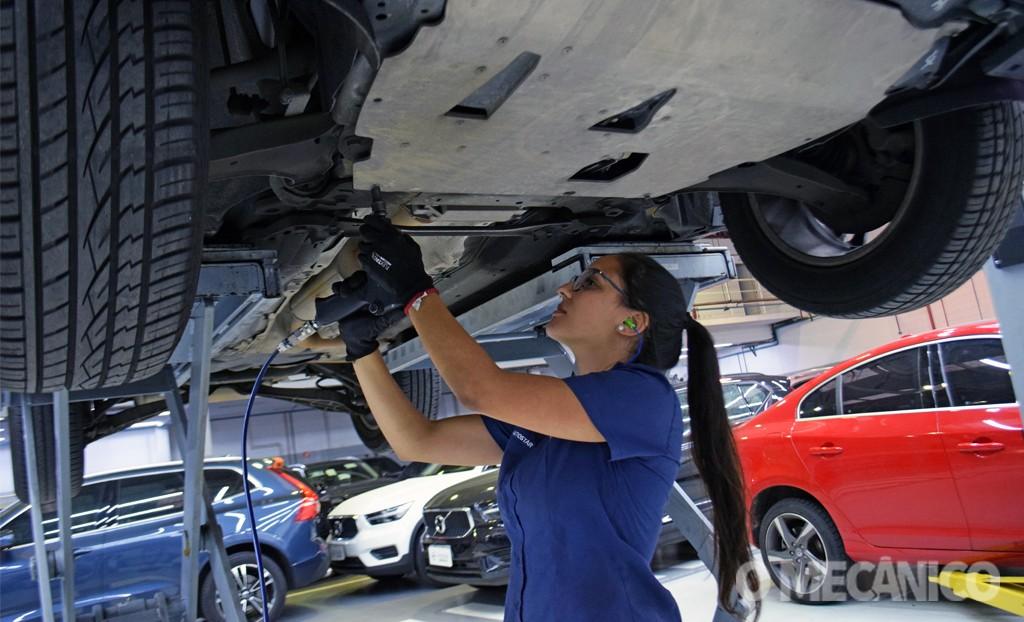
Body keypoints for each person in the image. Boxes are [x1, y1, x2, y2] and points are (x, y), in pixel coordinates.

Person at [339, 216, 760, 621]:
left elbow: (479, 390)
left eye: (589, 282)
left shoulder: (643, 398)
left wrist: (416, 292)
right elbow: (418, 440)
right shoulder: (547, 418)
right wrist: (361, 350)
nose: (564, 288)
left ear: (632, 322)